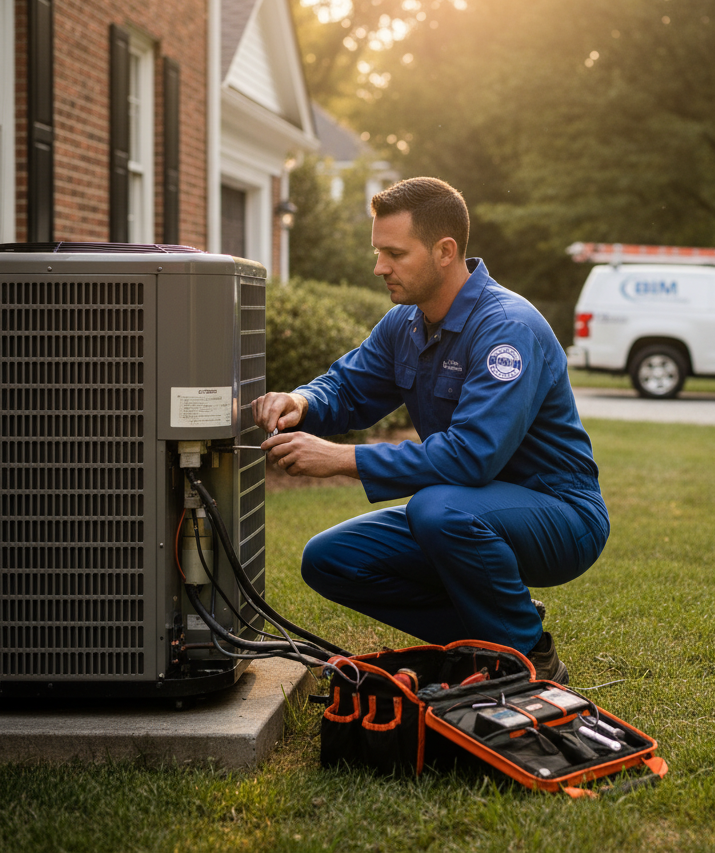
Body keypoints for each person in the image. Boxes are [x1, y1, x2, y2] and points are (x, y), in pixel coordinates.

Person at [252, 177, 608, 683]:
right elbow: (348, 388)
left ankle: (528, 657)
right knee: (331, 559)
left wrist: (341, 460)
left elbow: (470, 457)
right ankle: (492, 637)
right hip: (471, 507)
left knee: (437, 507)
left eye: (394, 253)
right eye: (378, 251)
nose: (379, 267)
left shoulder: (507, 329)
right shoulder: (407, 323)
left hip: (560, 513)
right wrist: (300, 400)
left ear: (445, 251)